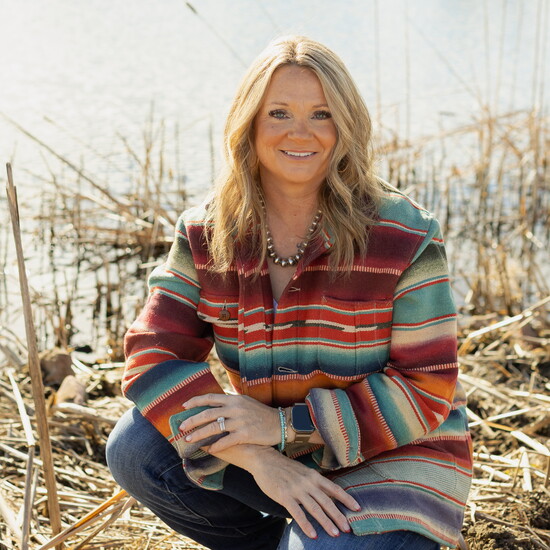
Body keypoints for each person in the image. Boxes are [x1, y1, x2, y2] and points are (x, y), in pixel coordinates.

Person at [106, 35, 472, 550]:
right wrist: (262, 460)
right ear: (249, 122)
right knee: (136, 447)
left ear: (346, 126)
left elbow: (426, 389)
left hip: (392, 462)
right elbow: (152, 354)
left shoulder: (403, 235)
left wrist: (284, 427)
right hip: (278, 455)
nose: (300, 133)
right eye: (279, 113)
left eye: (322, 114)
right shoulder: (206, 232)